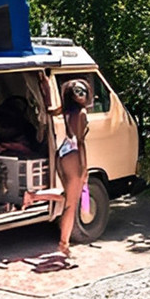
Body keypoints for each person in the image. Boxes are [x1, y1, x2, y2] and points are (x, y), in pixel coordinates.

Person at [23, 77, 91, 256]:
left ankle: (33, 196)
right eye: (79, 92)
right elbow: (81, 142)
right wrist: (85, 168)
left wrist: (46, 89)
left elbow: (50, 110)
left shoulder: (66, 109)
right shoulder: (81, 113)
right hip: (75, 154)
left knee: (66, 196)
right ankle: (64, 243)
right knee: (71, 204)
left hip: (63, 151)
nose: (83, 94)